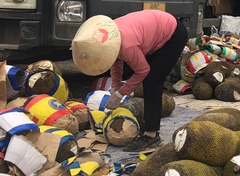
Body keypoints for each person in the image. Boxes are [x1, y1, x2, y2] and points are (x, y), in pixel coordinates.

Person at [71, 11, 188, 151]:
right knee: (148, 78)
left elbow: (143, 71)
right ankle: (149, 124)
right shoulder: (110, 39)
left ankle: (151, 136)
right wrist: (115, 85)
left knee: (152, 81)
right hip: (155, 30)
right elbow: (115, 60)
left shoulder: (127, 46)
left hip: (172, 34)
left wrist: (120, 95)